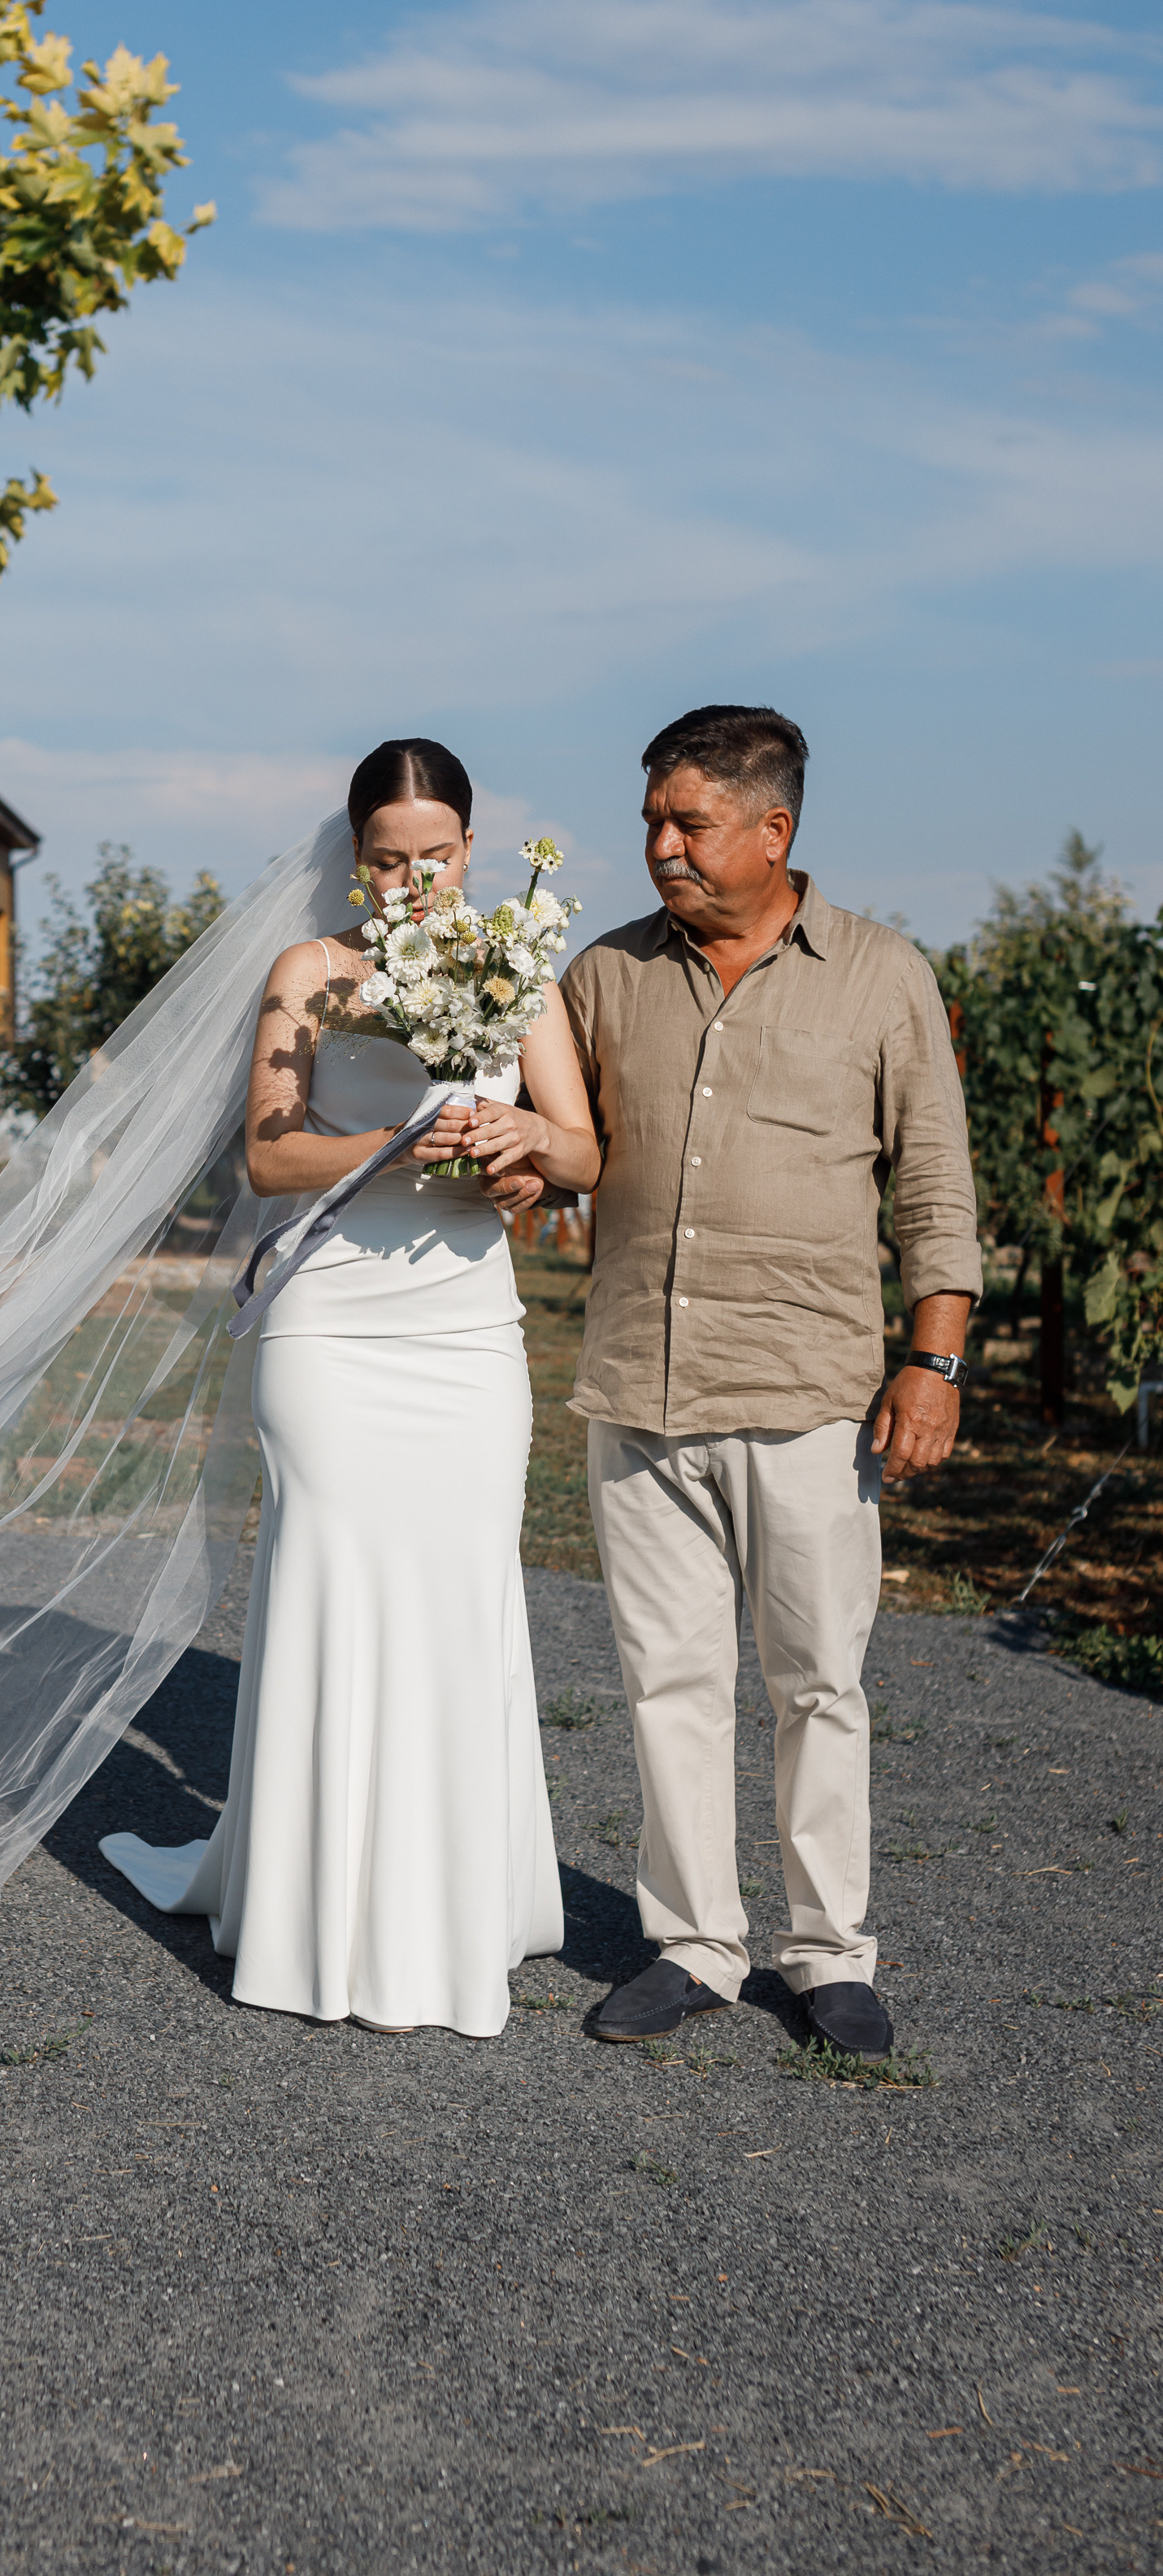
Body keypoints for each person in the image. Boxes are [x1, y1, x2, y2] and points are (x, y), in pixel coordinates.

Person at [487, 704, 980, 2058]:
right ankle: (693, 1946)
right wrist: (505, 1154)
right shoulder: (602, 978)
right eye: (650, 819)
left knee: (817, 1682)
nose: (658, 847)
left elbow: (934, 1183)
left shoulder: (879, 976)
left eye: (687, 824)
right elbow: (563, 1148)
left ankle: (827, 1954)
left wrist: (930, 1359)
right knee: (668, 1683)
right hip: (638, 1390)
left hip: (810, 1390)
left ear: (775, 829)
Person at [100, 740, 601, 2036]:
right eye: (385, 860)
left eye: (433, 859)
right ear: (352, 854)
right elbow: (269, 1158)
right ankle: (310, 1911)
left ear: (472, 855)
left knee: (458, 1592)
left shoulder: (516, 969)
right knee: (331, 1583)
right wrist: (398, 1149)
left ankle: (450, 1911)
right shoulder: (310, 976)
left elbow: (584, 1142)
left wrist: (525, 1149)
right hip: (329, 1326)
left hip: (465, 1329)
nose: (409, 882)